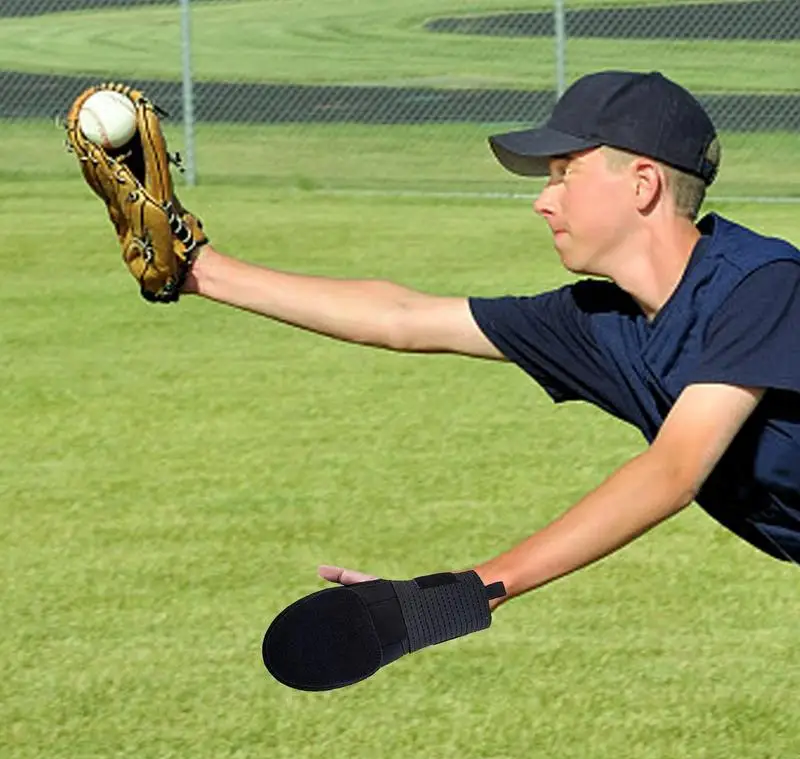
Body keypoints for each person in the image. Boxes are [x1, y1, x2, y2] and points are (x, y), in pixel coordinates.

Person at [184, 70, 800, 618]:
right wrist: (201, 272)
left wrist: (464, 595)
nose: (542, 201)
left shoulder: (763, 286)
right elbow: (406, 318)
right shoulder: (603, 321)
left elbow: (672, 472)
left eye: (564, 174)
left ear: (642, 184)